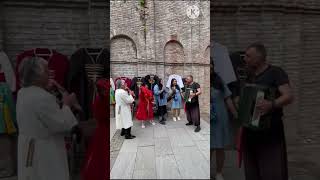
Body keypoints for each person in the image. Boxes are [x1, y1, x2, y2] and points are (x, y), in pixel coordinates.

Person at [16, 57, 79, 180]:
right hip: (44, 148)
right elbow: (63, 124)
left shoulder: (23, 92)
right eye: (46, 70)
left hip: (28, 144)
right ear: (37, 76)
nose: (50, 73)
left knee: (32, 174)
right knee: (45, 174)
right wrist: (67, 104)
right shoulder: (42, 97)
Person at [241, 43, 294, 180]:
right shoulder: (250, 75)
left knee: (272, 172)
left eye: (248, 56)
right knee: (252, 172)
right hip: (250, 132)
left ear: (259, 57)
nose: (245, 59)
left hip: (270, 132)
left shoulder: (275, 72)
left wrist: (271, 104)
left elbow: (288, 96)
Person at [211, 63, 238, 180]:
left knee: (220, 147)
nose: (210, 66)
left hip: (220, 117)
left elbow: (228, 98)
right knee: (208, 147)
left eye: (211, 64)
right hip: (207, 117)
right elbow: (189, 98)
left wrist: (235, 114)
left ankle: (219, 172)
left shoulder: (219, 81)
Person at [81, 79, 109, 180]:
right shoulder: (102, 100)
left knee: (100, 155)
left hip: (101, 129)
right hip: (103, 130)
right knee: (101, 155)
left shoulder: (98, 99)